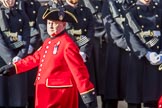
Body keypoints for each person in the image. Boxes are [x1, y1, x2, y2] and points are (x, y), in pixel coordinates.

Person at [0, 8, 97, 108]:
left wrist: (87, 93)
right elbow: (34, 59)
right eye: (49, 23)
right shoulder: (48, 42)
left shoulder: (67, 44)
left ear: (63, 25)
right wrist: (14, 68)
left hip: (59, 95)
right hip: (45, 94)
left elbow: (78, 71)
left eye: (55, 23)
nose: (50, 26)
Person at [124, 0, 162, 107]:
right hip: (139, 59)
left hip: (157, 56)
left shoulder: (158, 10)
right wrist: (146, 53)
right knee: (135, 97)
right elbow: (130, 36)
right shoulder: (131, 12)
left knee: (153, 97)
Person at [101, 0, 136, 107]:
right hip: (115, 51)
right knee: (112, 91)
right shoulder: (109, 3)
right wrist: (127, 44)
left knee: (134, 93)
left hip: (134, 52)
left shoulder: (136, 3)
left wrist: (134, 44)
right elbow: (109, 24)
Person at [0, 0, 30, 107]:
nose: (10, 1)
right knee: (3, 95)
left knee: (18, 94)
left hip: (19, 59)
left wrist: (20, 55)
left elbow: (26, 35)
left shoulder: (21, 14)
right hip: (3, 59)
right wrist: (10, 58)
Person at [79, 0, 108, 107]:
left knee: (107, 85)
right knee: (90, 83)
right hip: (88, 45)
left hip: (106, 42)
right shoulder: (82, 3)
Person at [23, 0, 41, 108]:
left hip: (32, 48)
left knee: (31, 86)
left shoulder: (36, 4)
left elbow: (39, 26)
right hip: (16, 49)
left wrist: (31, 44)